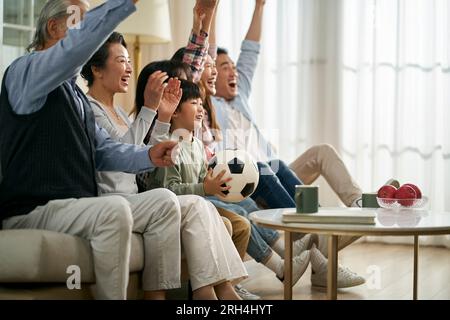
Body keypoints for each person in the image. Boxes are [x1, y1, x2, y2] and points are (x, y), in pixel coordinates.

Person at [0, 0, 246, 300]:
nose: (90, 32)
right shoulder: (24, 72)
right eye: (82, 22)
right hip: (33, 209)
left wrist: (147, 156)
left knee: (164, 202)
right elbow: (70, 51)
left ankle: (156, 297)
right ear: (53, 27)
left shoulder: (74, 95)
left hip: (74, 207)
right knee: (114, 209)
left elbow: (103, 149)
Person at [197, 0, 366, 288]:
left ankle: (358, 203)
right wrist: (210, 11)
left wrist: (259, 7)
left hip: (276, 172)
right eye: (223, 67)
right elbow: (206, 57)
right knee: (265, 168)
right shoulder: (208, 102)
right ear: (210, 73)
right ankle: (319, 249)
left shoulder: (240, 97)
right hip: (248, 181)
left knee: (320, 152)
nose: (232, 71)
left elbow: (251, 52)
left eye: (233, 67)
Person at [81, 30, 249, 300]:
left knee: (201, 205)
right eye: (121, 61)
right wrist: (149, 109)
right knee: (195, 203)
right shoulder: (90, 109)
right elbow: (121, 156)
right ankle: (208, 295)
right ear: (97, 70)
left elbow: (148, 158)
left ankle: (219, 290)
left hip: (135, 199)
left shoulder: (120, 112)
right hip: (112, 200)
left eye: (128, 61)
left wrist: (164, 116)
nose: (129, 67)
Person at [140, 78, 314, 290]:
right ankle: (278, 268)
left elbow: (202, 178)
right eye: (194, 103)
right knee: (239, 216)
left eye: (201, 104)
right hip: (180, 206)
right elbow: (170, 191)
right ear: (175, 111)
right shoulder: (170, 146)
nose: (201, 109)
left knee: (246, 203)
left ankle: (286, 253)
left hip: (200, 200)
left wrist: (216, 183)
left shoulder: (195, 144)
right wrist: (206, 187)